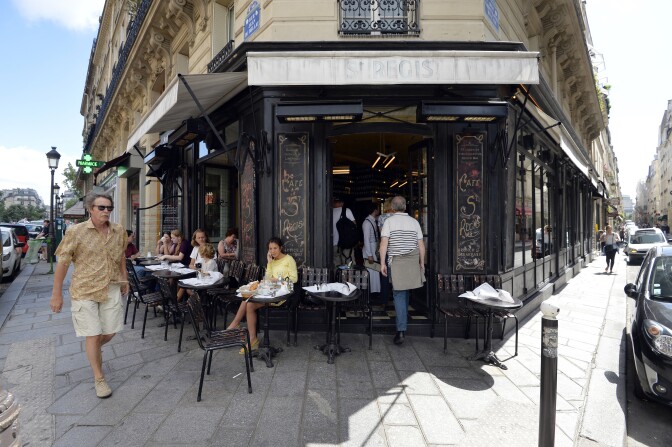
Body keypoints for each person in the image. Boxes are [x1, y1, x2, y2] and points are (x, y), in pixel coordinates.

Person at [49, 193, 128, 398]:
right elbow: (63, 263)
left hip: (111, 286)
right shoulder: (76, 232)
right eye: (101, 208)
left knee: (110, 332)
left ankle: (92, 348)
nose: (106, 212)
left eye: (109, 208)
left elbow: (121, 257)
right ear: (90, 209)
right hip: (84, 290)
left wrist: (124, 279)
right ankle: (99, 378)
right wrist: (56, 294)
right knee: (92, 334)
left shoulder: (118, 230)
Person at [227, 237, 298, 353]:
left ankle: (235, 324)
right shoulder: (272, 261)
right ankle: (252, 339)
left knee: (248, 300)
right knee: (249, 302)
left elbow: (294, 279)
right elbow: (267, 278)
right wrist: (269, 264)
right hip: (269, 292)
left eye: (275, 248)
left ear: (281, 248)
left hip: (281, 295)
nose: (273, 251)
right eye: (270, 249)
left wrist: (277, 279)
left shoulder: (289, 260)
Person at [379, 196, 426, 345]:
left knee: (399, 293)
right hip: (412, 261)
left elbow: (383, 245)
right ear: (405, 207)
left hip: (397, 262)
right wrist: (422, 263)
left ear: (392, 207)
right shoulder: (414, 222)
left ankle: (400, 331)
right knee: (404, 292)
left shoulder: (389, 222)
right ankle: (403, 323)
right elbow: (421, 245)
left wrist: (382, 263)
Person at [362, 203, 381, 299]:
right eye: (378, 208)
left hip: (373, 249)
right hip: (370, 251)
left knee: (375, 272)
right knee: (372, 272)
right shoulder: (367, 223)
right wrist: (369, 254)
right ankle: (371, 294)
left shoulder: (373, 221)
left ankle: (375, 292)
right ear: (375, 210)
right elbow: (366, 239)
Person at [332, 198, 355, 267]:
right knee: (348, 263)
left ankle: (337, 277)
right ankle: (348, 277)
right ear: (342, 203)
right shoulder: (346, 211)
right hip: (346, 243)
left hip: (333, 243)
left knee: (336, 264)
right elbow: (354, 225)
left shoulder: (329, 212)